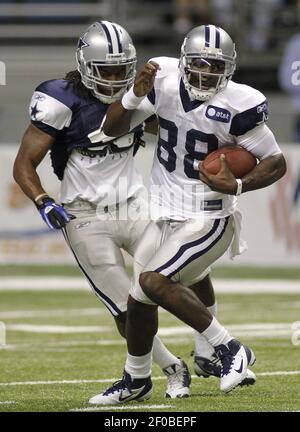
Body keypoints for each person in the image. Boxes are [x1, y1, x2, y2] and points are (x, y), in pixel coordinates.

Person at [89, 24, 287, 404]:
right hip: (163, 211)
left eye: (216, 65)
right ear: (183, 59)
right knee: (138, 300)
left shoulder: (239, 102)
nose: (207, 72)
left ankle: (228, 348)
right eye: (199, 62)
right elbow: (112, 128)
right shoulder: (161, 79)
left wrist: (240, 186)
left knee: (153, 281)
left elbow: (275, 161)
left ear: (229, 68)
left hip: (208, 216)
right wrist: (133, 94)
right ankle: (137, 379)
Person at [13, 20, 193, 399]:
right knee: (125, 310)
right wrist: (43, 200)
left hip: (136, 205)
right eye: (105, 70)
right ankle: (168, 368)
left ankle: (216, 348)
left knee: (180, 274)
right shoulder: (60, 100)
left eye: (120, 70)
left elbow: (179, 133)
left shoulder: (141, 95)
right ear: (84, 65)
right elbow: (23, 164)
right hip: (85, 216)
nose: (114, 79)